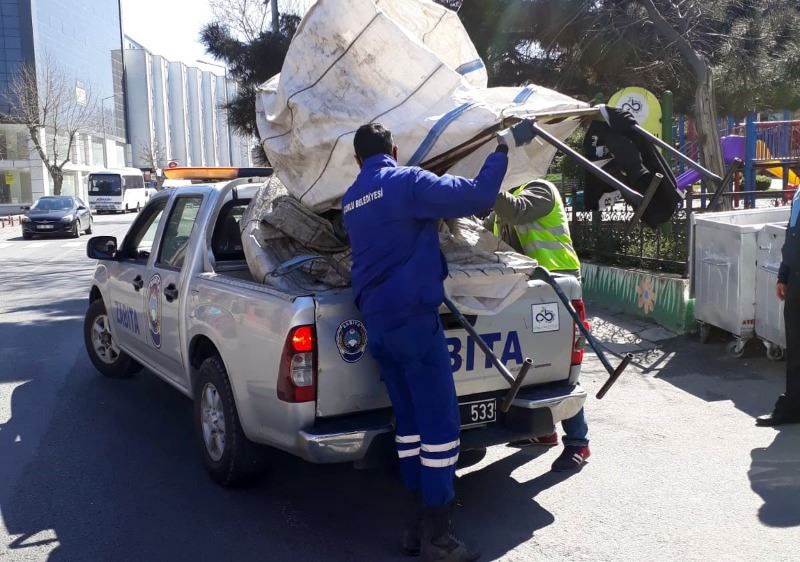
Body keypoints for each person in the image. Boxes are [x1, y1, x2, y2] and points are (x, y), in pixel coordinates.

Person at [342, 122, 513, 561]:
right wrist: (502, 151)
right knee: (439, 425)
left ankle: (415, 525)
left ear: (357, 160)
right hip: (414, 323)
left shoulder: (351, 200)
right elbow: (478, 196)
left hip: (377, 324)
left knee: (410, 426)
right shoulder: (407, 182)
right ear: (395, 150)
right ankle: (438, 536)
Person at [489, 179, 591, 471]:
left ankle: (578, 443)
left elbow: (516, 210)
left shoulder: (539, 189)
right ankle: (544, 431)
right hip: (529, 289)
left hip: (557, 285)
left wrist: (480, 183)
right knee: (533, 364)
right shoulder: (502, 205)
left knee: (560, 366)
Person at [757, 188, 800, 426]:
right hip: (795, 278)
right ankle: (793, 406)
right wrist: (783, 275)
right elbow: (792, 235)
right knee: (795, 344)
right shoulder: (799, 194)